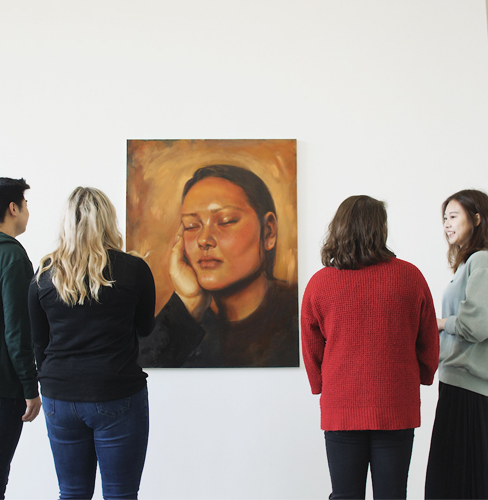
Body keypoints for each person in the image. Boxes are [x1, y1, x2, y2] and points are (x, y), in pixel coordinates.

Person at [301, 195, 439, 500]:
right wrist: (424, 375)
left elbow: (311, 347)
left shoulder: (320, 283)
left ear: (338, 228)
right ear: (380, 229)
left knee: (345, 495)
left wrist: (320, 385)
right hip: (396, 402)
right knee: (392, 495)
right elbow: (429, 339)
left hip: (342, 405)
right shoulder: (410, 277)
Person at [28, 187, 155, 500]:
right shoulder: (133, 269)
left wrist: (55, 382)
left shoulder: (45, 274)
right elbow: (144, 328)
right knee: (120, 495)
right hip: (116, 391)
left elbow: (38, 342)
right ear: (109, 221)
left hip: (59, 396)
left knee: (71, 493)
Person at [138, 164, 298, 368]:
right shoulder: (184, 323)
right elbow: (141, 372)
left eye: (226, 221)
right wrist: (189, 302)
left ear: (268, 232)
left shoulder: (298, 311)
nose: (203, 239)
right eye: (191, 226)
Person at [425, 189, 488, 499]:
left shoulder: (482, 260)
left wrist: (437, 323)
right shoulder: (467, 264)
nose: (447, 225)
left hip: (471, 390)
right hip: (457, 383)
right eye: (444, 219)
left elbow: (476, 326)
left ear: (477, 219)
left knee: (461, 484)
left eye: (453, 217)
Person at [0, 177, 41, 499]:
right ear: (13, 208)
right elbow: (17, 330)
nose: (27, 212)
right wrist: (30, 387)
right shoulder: (11, 256)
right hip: (1, 391)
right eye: (26, 204)